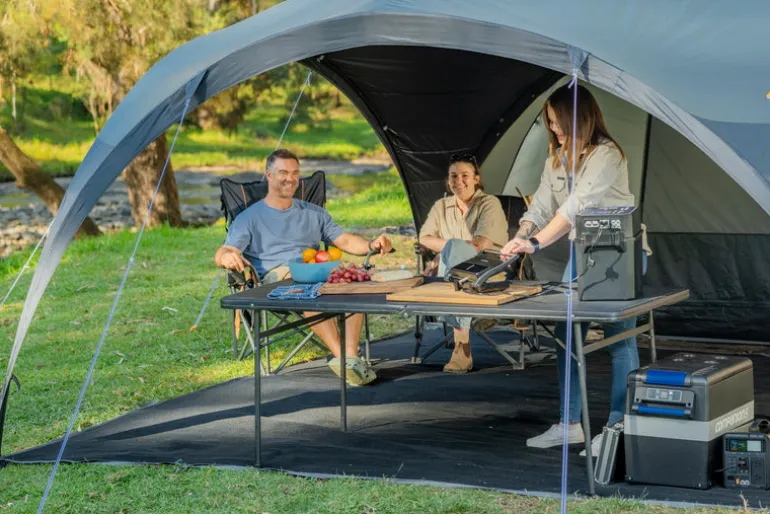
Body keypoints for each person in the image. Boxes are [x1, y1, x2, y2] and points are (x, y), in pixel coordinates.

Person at [501, 84, 649, 456]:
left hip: (616, 250)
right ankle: (569, 426)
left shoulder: (607, 155)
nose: (554, 130)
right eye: (550, 123)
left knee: (619, 339)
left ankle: (616, 429)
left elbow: (575, 209)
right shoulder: (555, 159)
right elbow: (540, 207)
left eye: (558, 122)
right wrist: (521, 236)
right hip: (581, 254)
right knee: (567, 334)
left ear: (579, 117)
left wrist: (536, 244)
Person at [215, 149, 393, 386]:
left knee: (353, 283)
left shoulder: (314, 213)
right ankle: (344, 359)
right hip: (278, 279)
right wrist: (227, 257)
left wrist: (372, 244)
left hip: (318, 271)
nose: (290, 179)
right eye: (283, 173)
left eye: (295, 173)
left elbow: (345, 241)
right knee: (308, 289)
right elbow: (225, 251)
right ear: (269, 175)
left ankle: (351, 357)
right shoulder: (249, 217)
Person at [418, 153, 509, 373]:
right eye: (453, 176)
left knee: (451, 256)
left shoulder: (489, 203)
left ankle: (462, 348)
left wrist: (445, 249)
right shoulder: (441, 206)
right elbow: (424, 238)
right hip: (452, 273)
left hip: (487, 271)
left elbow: (480, 245)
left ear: (476, 178)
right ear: (447, 180)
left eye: (465, 175)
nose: (459, 181)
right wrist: (450, 249)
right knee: (452, 256)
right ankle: (473, 324)